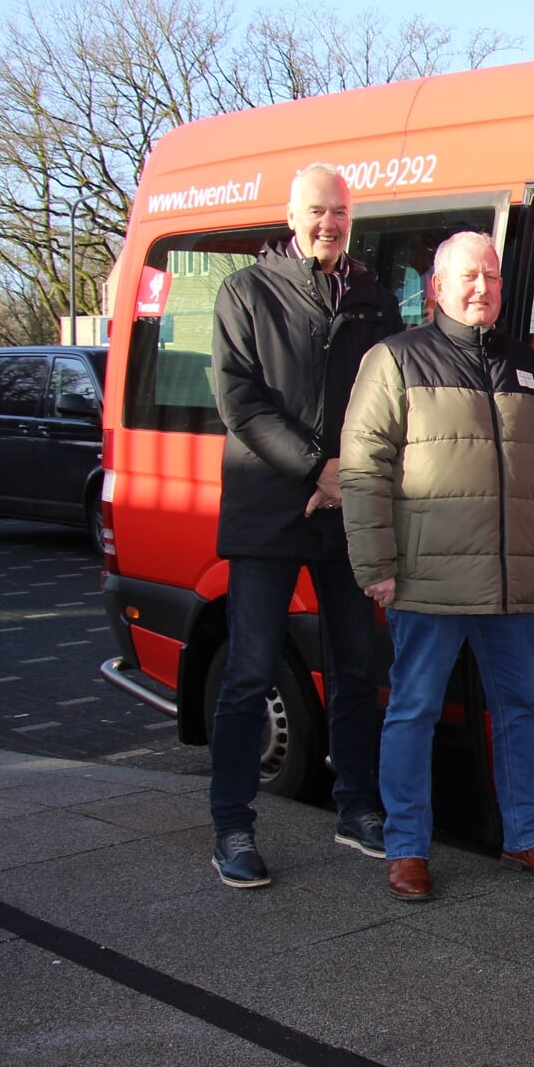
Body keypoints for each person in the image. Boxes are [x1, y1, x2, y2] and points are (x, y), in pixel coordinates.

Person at [341, 230, 534, 900]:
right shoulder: (395, 361)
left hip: (516, 579)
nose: (482, 288)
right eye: (468, 276)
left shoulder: (533, 368)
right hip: (428, 578)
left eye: (493, 277)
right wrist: (377, 563)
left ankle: (527, 836)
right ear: (437, 288)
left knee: (520, 711)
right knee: (414, 711)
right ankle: (406, 848)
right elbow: (363, 469)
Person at [207, 163, 401, 889]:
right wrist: (316, 469)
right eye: (317, 211)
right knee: (249, 671)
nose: (329, 223)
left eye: (340, 212)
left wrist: (347, 476)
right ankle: (231, 824)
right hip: (270, 508)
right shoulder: (245, 292)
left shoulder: (376, 296)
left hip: (346, 511)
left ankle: (356, 807)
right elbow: (240, 402)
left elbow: (388, 397)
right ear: (292, 216)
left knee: (357, 667)